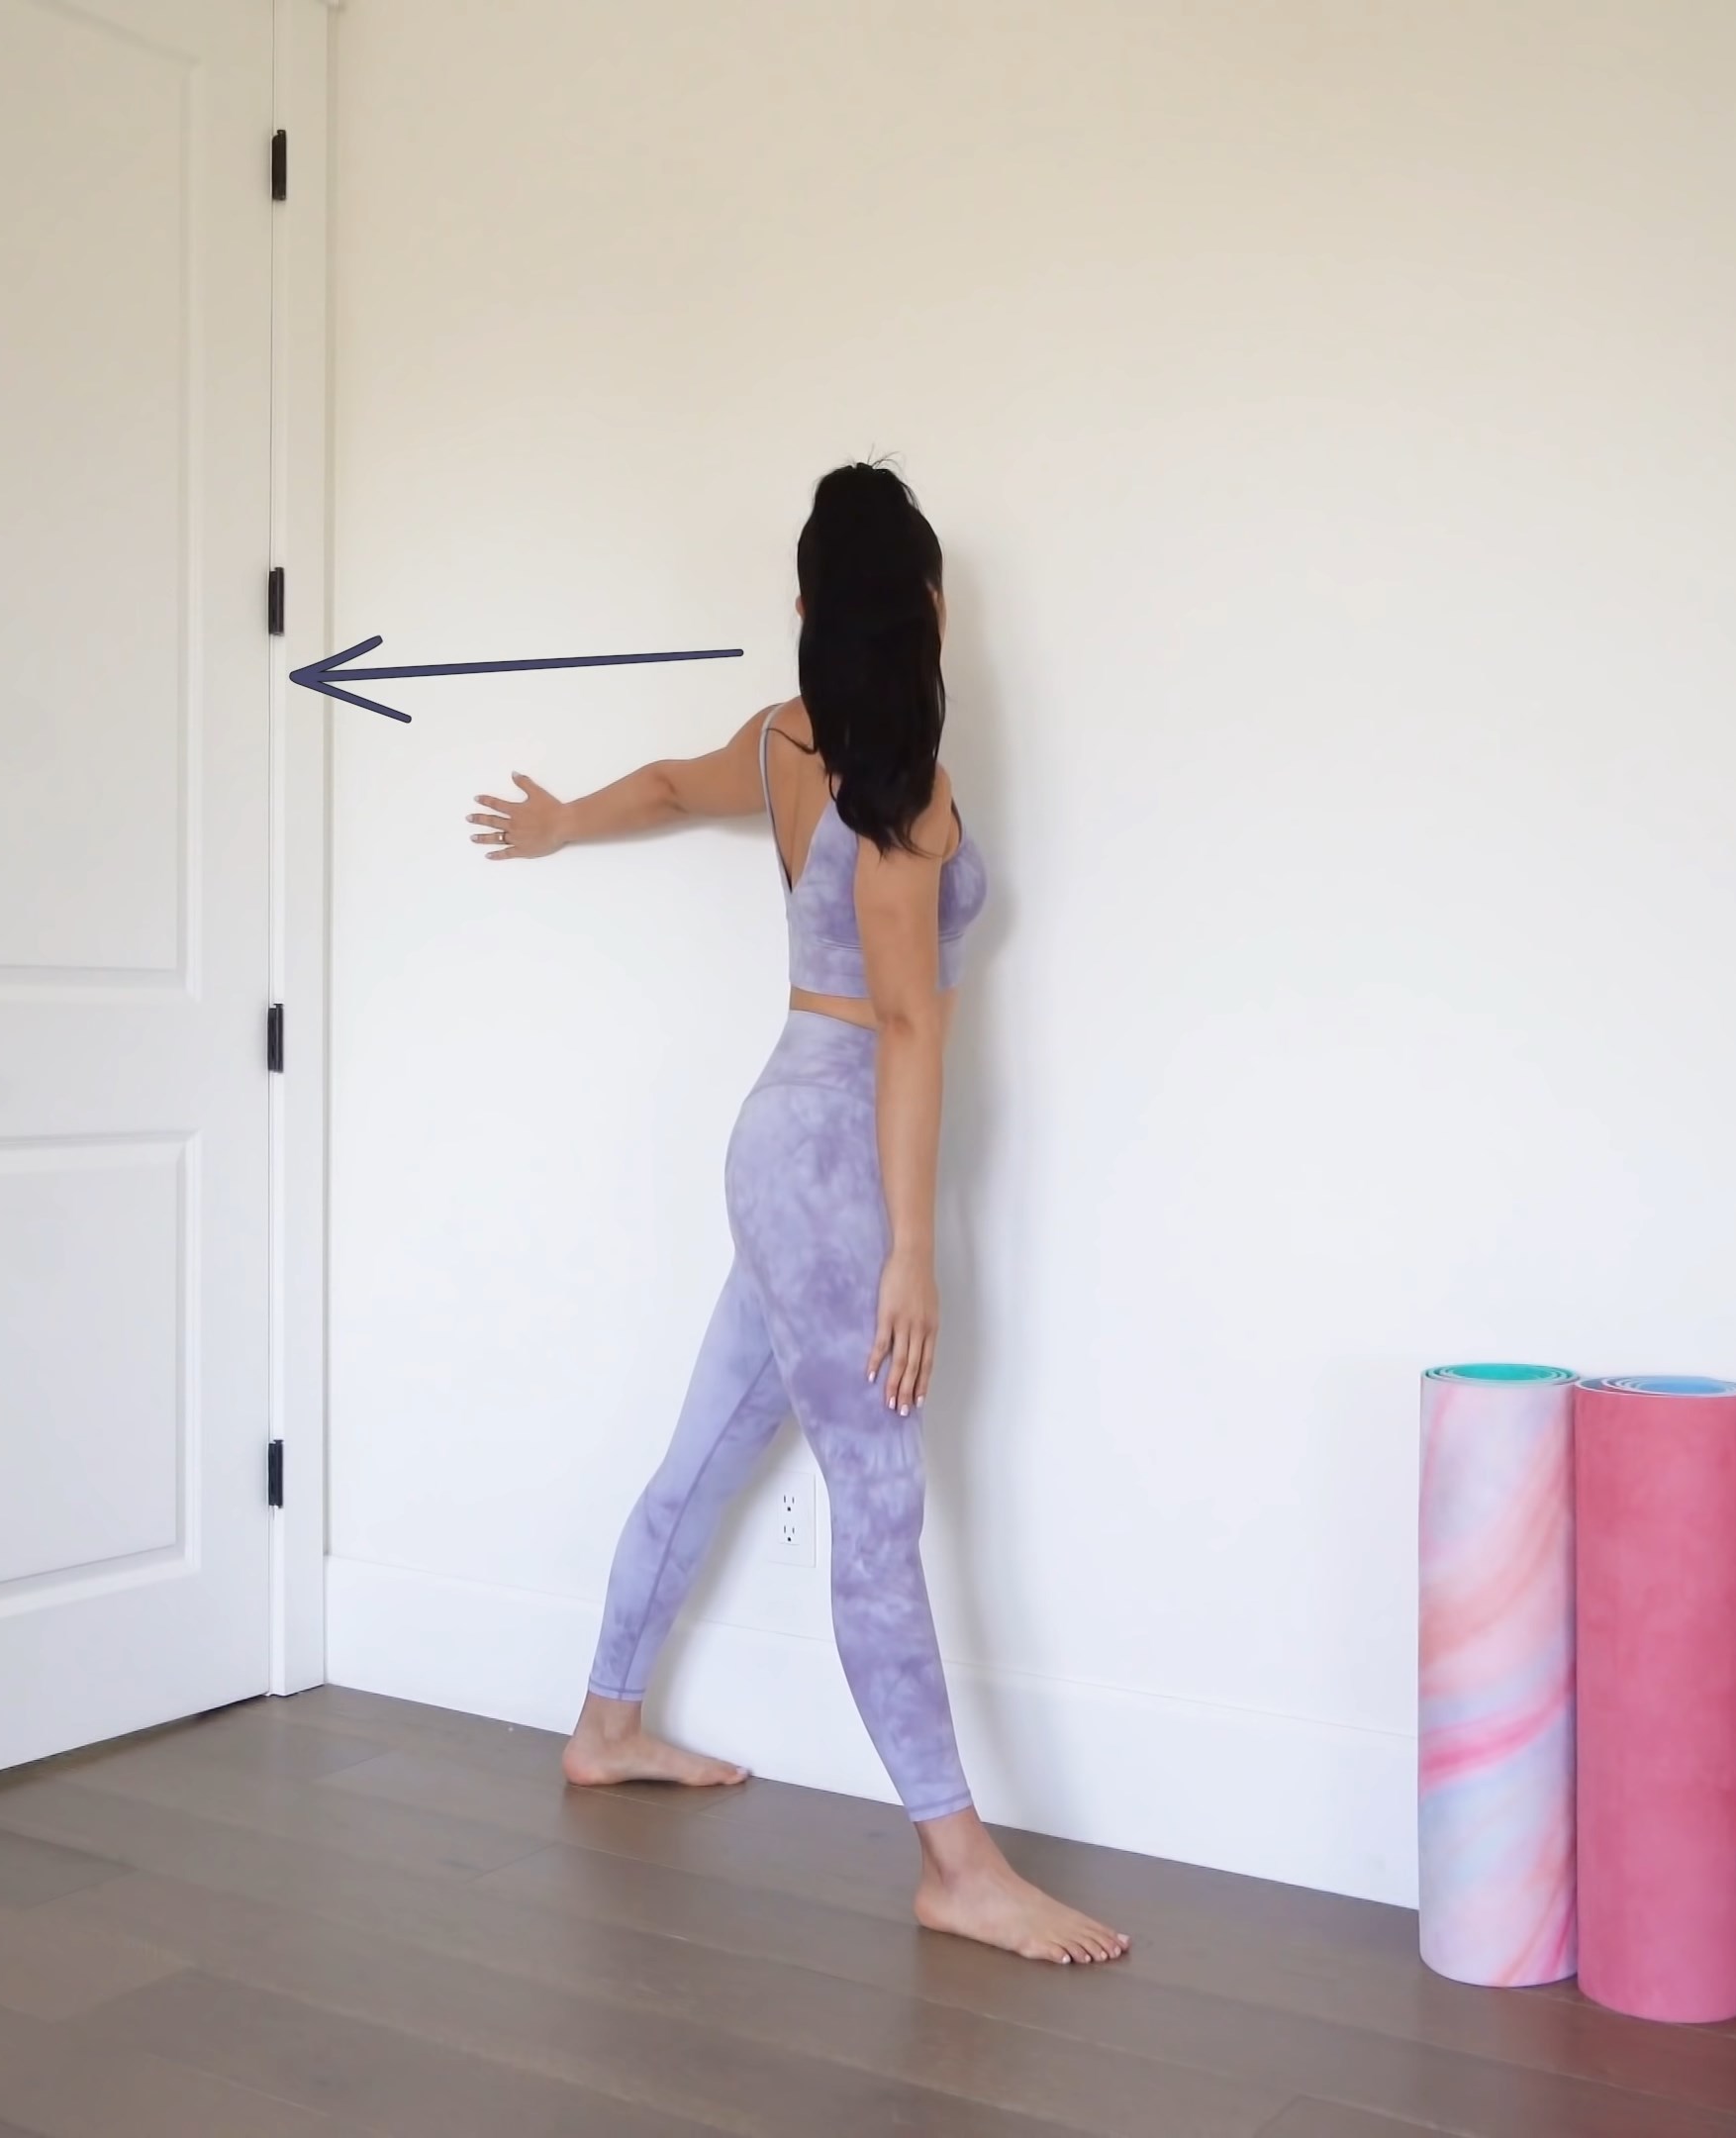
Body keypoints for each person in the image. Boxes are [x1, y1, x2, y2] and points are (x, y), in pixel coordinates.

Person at [466, 463, 1129, 1966]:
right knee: (878, 1504)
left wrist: (567, 820)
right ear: (931, 610)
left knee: (709, 1447)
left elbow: (666, 787)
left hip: (783, 1139)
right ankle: (958, 1867)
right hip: (833, 1169)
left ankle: (605, 1726)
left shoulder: (787, 741)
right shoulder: (904, 793)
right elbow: (908, 1024)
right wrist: (911, 1253)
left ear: (812, 608)